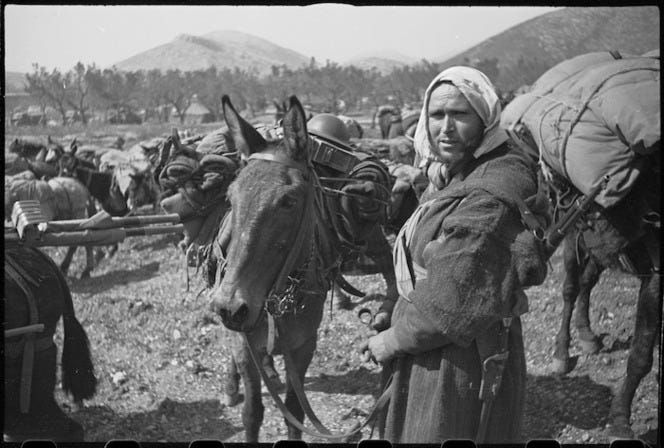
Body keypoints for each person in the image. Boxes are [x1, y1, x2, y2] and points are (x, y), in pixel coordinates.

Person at [360, 66, 549, 443]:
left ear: (485, 117)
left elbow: (452, 300)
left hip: (458, 360)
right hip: (434, 344)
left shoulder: (490, 193)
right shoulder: (459, 174)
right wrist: (396, 304)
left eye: (460, 115)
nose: (445, 128)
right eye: (436, 114)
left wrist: (391, 341)